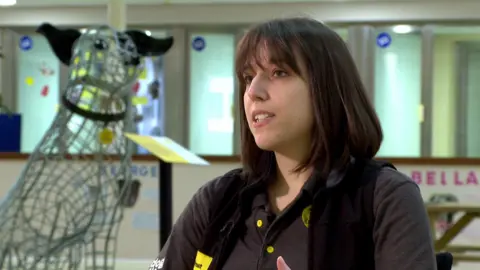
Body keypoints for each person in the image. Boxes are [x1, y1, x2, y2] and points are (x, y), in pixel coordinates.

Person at [149, 17, 437, 270]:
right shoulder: (219, 199)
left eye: (279, 73)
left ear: (326, 88)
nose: (254, 91)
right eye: (248, 77)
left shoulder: (384, 198)